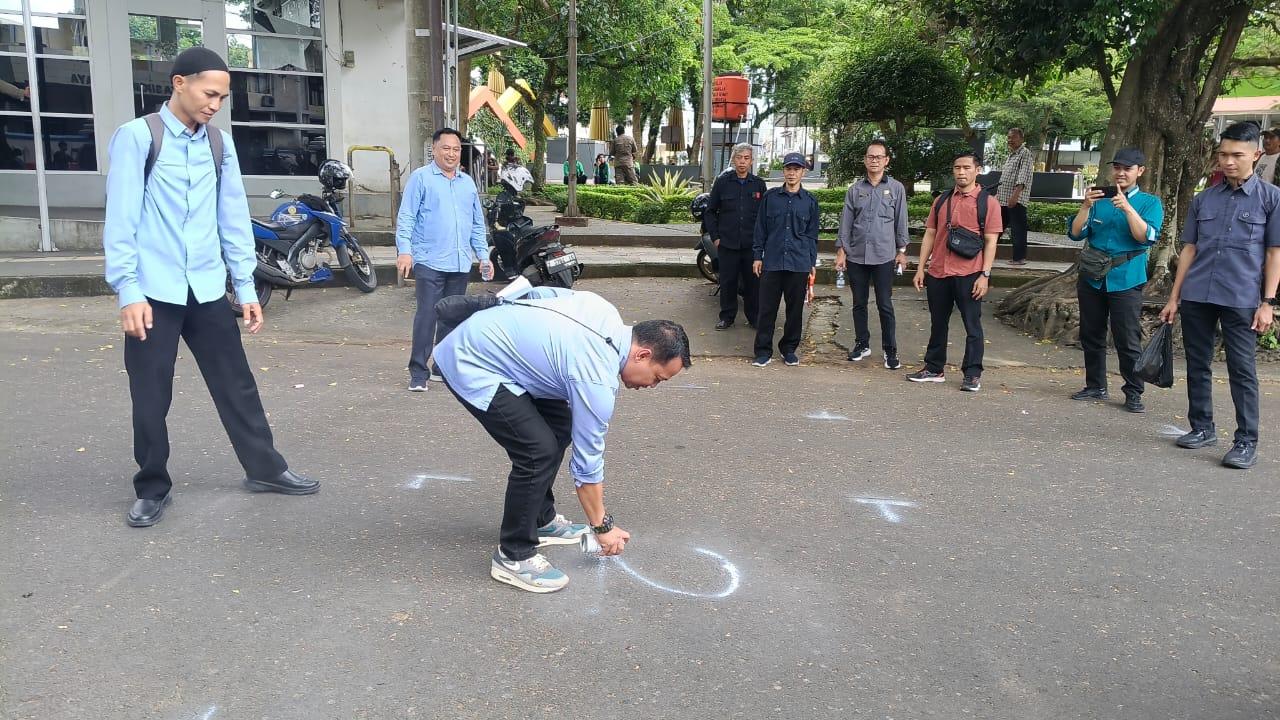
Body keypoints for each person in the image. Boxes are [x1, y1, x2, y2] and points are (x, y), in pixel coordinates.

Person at [102, 47, 318, 528]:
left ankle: (265, 468)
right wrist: (128, 291)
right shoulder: (139, 138)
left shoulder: (218, 144)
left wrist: (245, 286)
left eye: (222, 96)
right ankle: (152, 486)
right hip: (154, 293)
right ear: (179, 82)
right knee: (151, 394)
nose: (216, 103)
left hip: (205, 290)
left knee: (237, 384)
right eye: (209, 93)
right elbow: (121, 220)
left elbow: (232, 217)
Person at [433, 285, 691, 593]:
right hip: (473, 360)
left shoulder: (605, 309)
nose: (653, 386)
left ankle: (540, 519)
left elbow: (540, 293)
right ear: (643, 354)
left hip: (508, 358)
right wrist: (602, 526)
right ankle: (514, 555)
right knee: (536, 451)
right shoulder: (596, 378)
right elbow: (587, 463)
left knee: (559, 424)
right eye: (658, 378)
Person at [1159, 121, 1280, 469]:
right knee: (1197, 364)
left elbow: (1274, 254)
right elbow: (1189, 250)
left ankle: (1245, 442)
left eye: (1237, 155)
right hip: (1198, 294)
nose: (1228, 161)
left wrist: (1267, 303)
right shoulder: (1204, 199)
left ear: (1255, 155)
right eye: (1223, 154)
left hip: (1242, 297)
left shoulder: (1271, 200)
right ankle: (1202, 428)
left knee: (1242, 370)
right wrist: (1174, 297)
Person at [1066, 148, 1165, 413]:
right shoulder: (1099, 199)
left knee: (1127, 337)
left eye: (1128, 168)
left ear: (1140, 171)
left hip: (1126, 279)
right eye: (1118, 167)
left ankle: (1133, 391)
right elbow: (1076, 234)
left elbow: (1146, 238)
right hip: (1092, 278)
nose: (1121, 173)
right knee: (1091, 333)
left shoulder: (1149, 202)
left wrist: (1128, 208)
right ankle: (1095, 385)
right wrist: (1085, 206)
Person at [395, 128, 492, 392]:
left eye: (456, 149)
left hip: (460, 262)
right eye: (446, 148)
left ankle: (441, 366)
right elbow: (406, 217)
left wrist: (483, 255)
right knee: (427, 314)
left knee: (452, 316)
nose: (451, 153)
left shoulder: (467, 183)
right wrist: (405, 251)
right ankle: (418, 370)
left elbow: (476, 224)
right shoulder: (421, 178)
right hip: (429, 259)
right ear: (435, 150)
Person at [907, 151, 1003, 392]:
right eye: (957, 167)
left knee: (972, 325)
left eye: (966, 168)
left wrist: (985, 275)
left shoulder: (987, 203)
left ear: (977, 170)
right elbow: (930, 233)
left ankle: (972, 373)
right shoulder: (942, 200)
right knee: (938, 322)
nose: (961, 172)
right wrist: (921, 268)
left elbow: (991, 241)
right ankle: (934, 368)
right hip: (939, 271)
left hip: (970, 273)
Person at [836, 139, 909, 369]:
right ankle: (861, 343)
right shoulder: (855, 190)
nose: (874, 160)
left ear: (886, 161)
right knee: (859, 303)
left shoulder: (896, 189)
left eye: (879, 157)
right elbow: (846, 223)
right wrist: (841, 252)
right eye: (870, 156)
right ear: (865, 160)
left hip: (884, 256)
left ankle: (890, 350)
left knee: (884, 304)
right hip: (856, 255)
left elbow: (901, 222)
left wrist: (902, 251)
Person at [751, 152, 819, 367]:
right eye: (788, 169)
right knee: (767, 308)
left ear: (803, 172)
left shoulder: (809, 202)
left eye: (796, 169)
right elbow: (760, 228)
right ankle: (763, 351)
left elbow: (811, 235)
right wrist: (757, 256)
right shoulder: (771, 198)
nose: (792, 173)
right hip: (772, 261)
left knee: (795, 310)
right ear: (784, 171)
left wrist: (811, 263)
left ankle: (789, 349)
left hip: (798, 263)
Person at [704, 142, 767, 331]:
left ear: (751, 161)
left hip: (751, 245)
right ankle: (727, 317)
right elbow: (710, 211)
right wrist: (715, 237)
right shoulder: (723, 182)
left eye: (746, 158)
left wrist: (762, 242)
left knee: (753, 284)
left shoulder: (758, 184)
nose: (742, 162)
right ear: (733, 159)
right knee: (728, 282)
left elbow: (765, 216)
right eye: (739, 158)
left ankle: (754, 317)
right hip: (727, 244)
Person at [997, 128, 1035, 266]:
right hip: (1003, 199)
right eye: (1008, 137)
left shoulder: (1025, 154)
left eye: (1013, 137)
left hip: (1015, 199)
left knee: (1018, 229)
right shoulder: (1011, 155)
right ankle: (984, 253)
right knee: (997, 227)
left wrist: (1015, 196)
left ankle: (1019, 258)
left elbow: (1023, 176)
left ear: (1021, 139)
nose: (1009, 140)